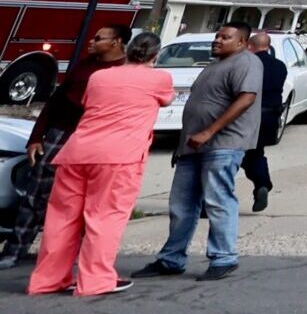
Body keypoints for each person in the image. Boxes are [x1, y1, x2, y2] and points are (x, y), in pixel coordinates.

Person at [23, 31, 171, 298]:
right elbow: (166, 99)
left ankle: (47, 279)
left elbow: (88, 102)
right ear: (155, 55)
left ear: (126, 50)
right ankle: (96, 280)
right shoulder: (159, 79)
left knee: (61, 218)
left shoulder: (99, 76)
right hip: (119, 156)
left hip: (78, 151)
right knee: (105, 218)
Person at [138, 21, 261, 282]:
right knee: (181, 204)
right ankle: (171, 259)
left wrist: (209, 131)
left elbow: (246, 98)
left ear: (241, 42)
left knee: (218, 201)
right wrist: (182, 144)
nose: (217, 40)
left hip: (223, 144)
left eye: (225, 37)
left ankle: (223, 258)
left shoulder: (246, 63)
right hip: (191, 148)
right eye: (217, 36)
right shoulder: (213, 66)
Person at [1, 24, 128, 270]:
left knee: (85, 201)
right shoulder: (84, 64)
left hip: (95, 141)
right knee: (36, 194)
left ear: (117, 42)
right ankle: (14, 251)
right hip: (60, 135)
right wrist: (36, 137)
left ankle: (72, 259)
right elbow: (55, 102)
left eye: (99, 38)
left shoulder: (123, 71)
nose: (91, 41)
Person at [240, 32, 290, 214]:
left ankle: (216, 198)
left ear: (250, 46)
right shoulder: (279, 66)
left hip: (249, 115)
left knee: (232, 155)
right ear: (268, 47)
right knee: (256, 152)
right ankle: (262, 184)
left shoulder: (249, 64)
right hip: (270, 117)